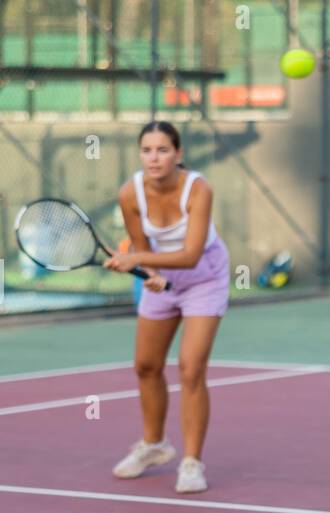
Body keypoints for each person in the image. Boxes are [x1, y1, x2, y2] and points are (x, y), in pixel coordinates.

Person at [105, 121, 231, 494]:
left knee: (191, 369)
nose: (154, 158)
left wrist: (137, 259)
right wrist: (151, 272)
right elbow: (142, 244)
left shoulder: (198, 189)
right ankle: (154, 445)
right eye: (147, 150)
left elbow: (191, 254)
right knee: (146, 366)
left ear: (179, 154)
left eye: (162, 150)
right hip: (164, 280)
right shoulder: (129, 194)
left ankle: (191, 463)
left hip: (204, 279)